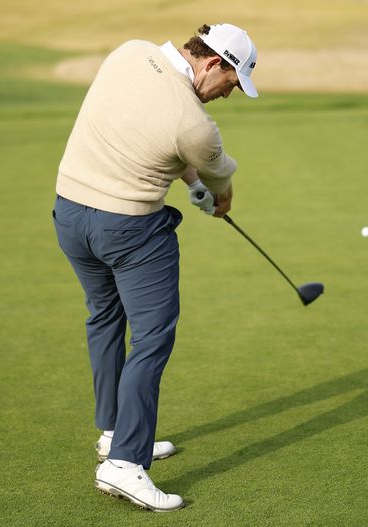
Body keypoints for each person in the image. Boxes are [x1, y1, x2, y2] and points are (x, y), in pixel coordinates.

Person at [51, 23, 258, 512]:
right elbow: (216, 179)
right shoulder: (197, 125)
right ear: (213, 63)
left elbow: (151, 125)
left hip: (69, 213)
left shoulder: (130, 51)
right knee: (152, 337)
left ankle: (112, 432)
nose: (228, 95)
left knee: (104, 317)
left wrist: (191, 181)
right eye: (231, 83)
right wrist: (215, 198)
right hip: (127, 230)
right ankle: (124, 463)